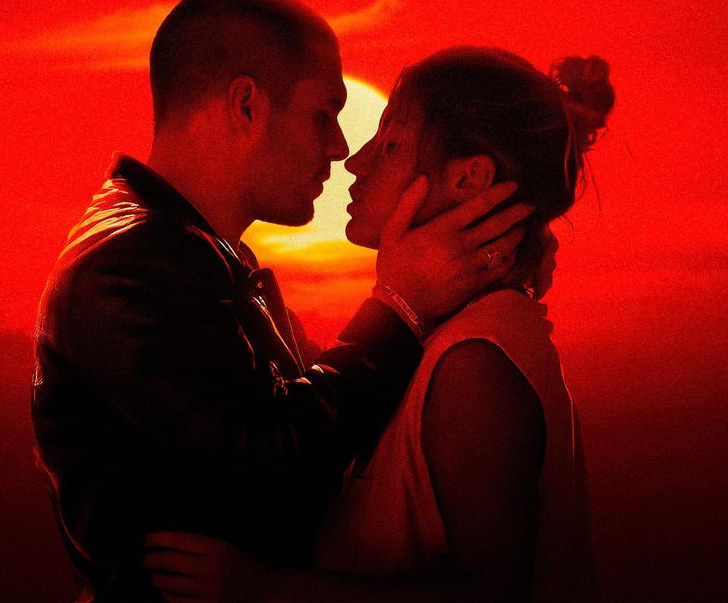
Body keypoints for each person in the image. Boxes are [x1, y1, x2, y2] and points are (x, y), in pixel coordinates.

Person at [31, 0, 540, 601]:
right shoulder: (129, 266)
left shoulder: (191, 256)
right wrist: (400, 306)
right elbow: (273, 459)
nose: (341, 148)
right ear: (246, 105)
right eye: (324, 114)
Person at [145, 47, 615, 601]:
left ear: (468, 178)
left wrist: (267, 590)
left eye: (391, 144)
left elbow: (496, 594)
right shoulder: (445, 337)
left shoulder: (475, 362)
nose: (357, 161)